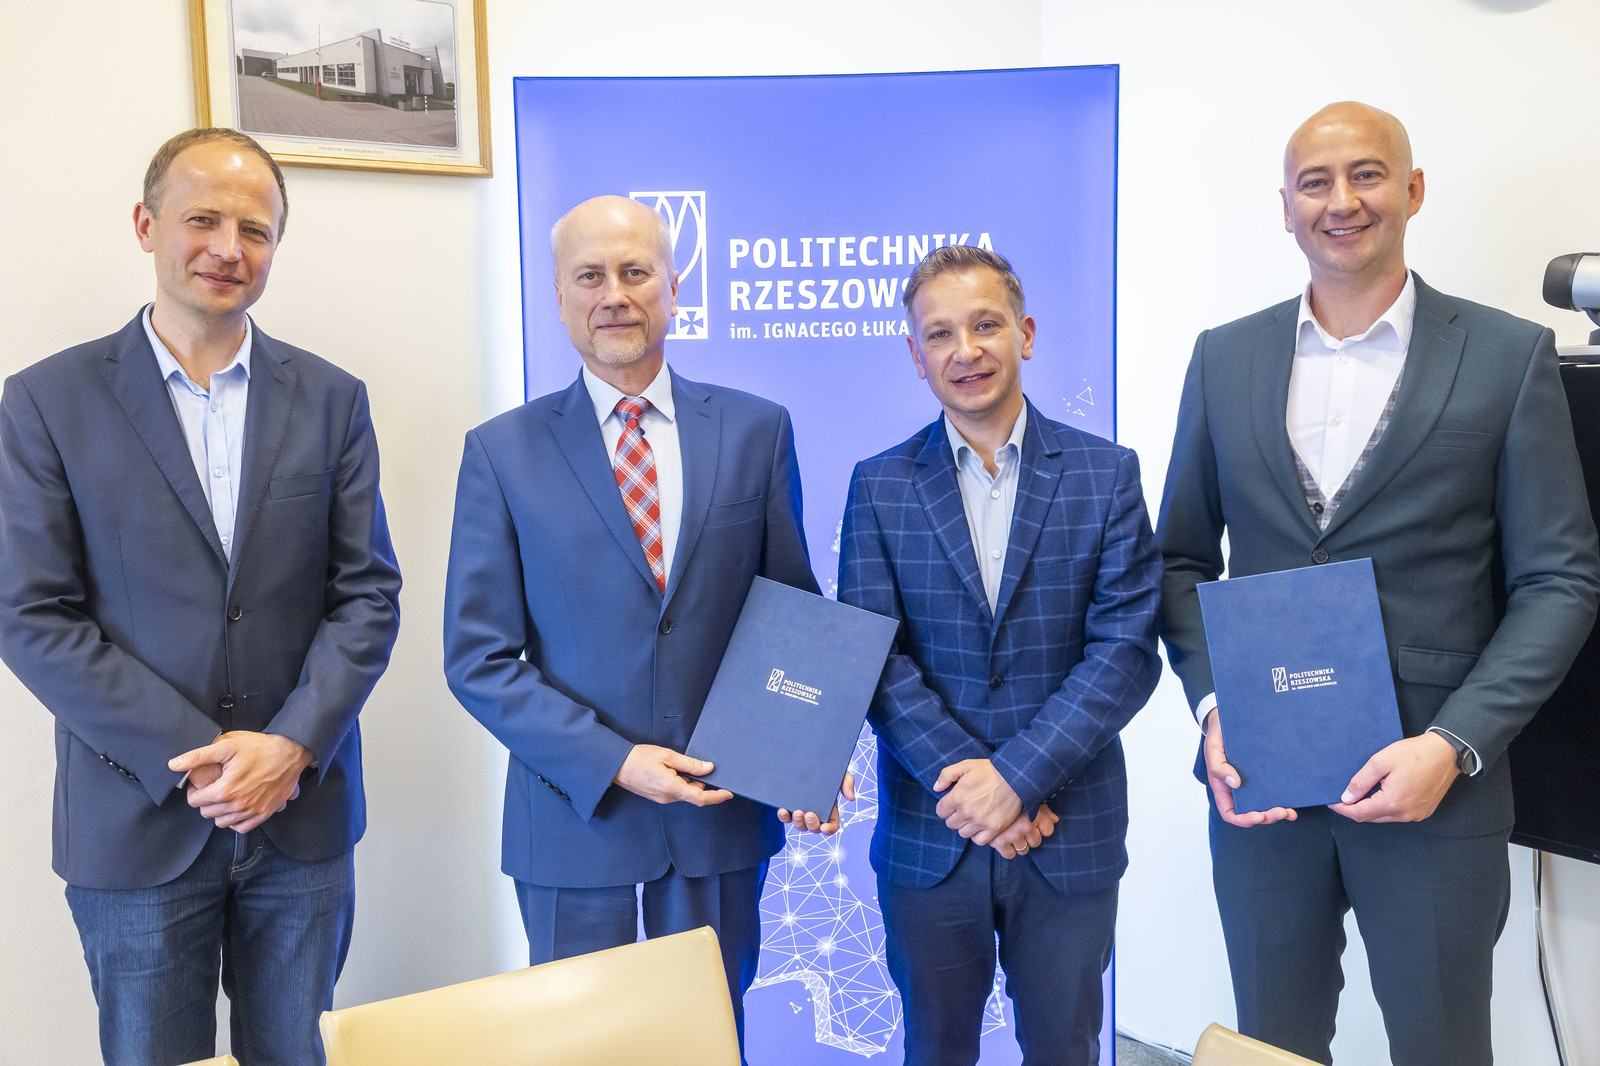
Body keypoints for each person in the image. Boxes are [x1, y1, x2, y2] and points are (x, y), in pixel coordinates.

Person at [1158, 101, 1600, 1066]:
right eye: (1315, 182)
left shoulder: (1507, 356)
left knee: (1443, 1050)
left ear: (1413, 189)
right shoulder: (1224, 357)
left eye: (1366, 174)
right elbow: (1179, 560)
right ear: (1285, 206)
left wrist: (1455, 744)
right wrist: (1214, 708)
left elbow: (1560, 580)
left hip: (1437, 790)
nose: (1342, 201)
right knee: (1269, 1049)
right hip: (1262, 791)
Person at [0, 128, 402, 1065]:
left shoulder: (333, 399)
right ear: (146, 226)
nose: (229, 247)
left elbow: (367, 595)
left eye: (255, 230)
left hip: (300, 818)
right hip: (137, 823)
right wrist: (198, 762)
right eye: (203, 220)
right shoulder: (47, 401)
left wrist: (291, 746)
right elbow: (32, 614)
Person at [442, 194, 825, 1055]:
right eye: (590, 276)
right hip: (572, 823)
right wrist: (615, 760)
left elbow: (790, 618)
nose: (613, 294)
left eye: (634, 271)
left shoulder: (756, 430)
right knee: (579, 1053)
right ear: (560, 296)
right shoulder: (501, 452)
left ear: (674, 287)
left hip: (719, 814)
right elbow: (478, 658)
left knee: (709, 1044)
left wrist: (803, 754)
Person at [836, 245, 1163, 1065]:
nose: (966, 350)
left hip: (1068, 832)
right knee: (934, 1052)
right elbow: (875, 660)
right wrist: (975, 790)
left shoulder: (1105, 474)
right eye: (940, 334)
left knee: (1065, 1050)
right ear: (916, 356)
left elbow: (1126, 652)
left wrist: (1016, 780)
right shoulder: (878, 485)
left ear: (1027, 333)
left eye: (985, 325)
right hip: (931, 835)